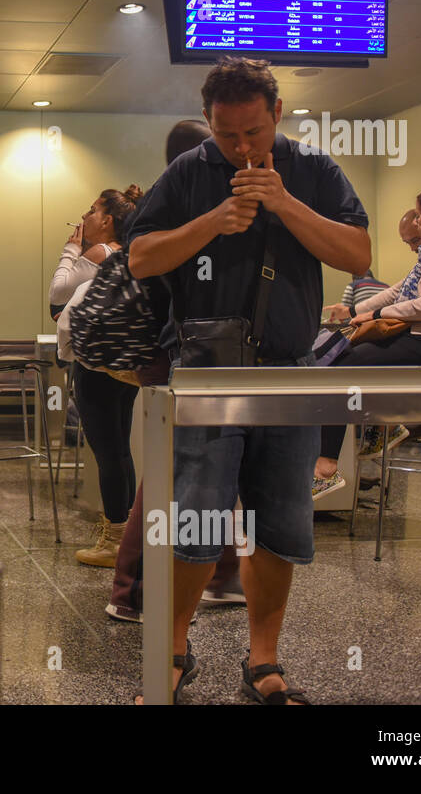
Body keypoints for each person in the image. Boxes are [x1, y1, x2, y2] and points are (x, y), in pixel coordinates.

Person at [127, 57, 370, 703]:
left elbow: (357, 253)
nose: (239, 147)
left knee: (279, 523)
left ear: (277, 114)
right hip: (208, 372)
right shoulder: (189, 172)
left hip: (290, 373)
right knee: (196, 522)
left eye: (253, 133)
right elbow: (140, 257)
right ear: (207, 120)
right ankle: (173, 650)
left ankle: (264, 658)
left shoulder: (313, 170)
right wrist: (213, 222)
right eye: (226, 134)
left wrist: (284, 203)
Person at [107, 120, 244, 621]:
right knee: (170, 473)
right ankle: (132, 590)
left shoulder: (174, 205)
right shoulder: (180, 209)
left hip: (188, 352)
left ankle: (223, 574)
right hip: (174, 353)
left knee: (214, 463)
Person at [313, 182, 421, 490]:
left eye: (419, 216)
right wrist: (353, 311)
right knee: (340, 356)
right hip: (418, 338)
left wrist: (376, 315)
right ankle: (381, 427)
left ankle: (328, 465)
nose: (416, 222)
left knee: (344, 367)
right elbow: (397, 291)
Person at [51, 186, 143, 567]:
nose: (84, 217)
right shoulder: (132, 253)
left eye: (92, 210)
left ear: (107, 221)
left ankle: (114, 541)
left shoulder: (99, 252)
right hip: (123, 362)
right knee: (120, 448)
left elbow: (58, 294)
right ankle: (128, 535)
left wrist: (70, 250)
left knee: (106, 452)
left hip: (95, 363)